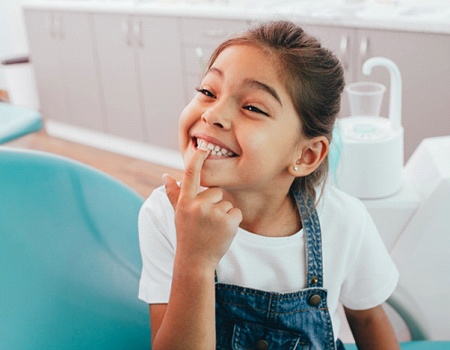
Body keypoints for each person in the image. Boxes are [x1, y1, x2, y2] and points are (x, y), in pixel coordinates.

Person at [138, 20, 399, 349]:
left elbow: (369, 318)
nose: (213, 114)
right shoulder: (164, 215)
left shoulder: (345, 221)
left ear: (305, 155)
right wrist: (194, 260)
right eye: (207, 91)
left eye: (252, 107)